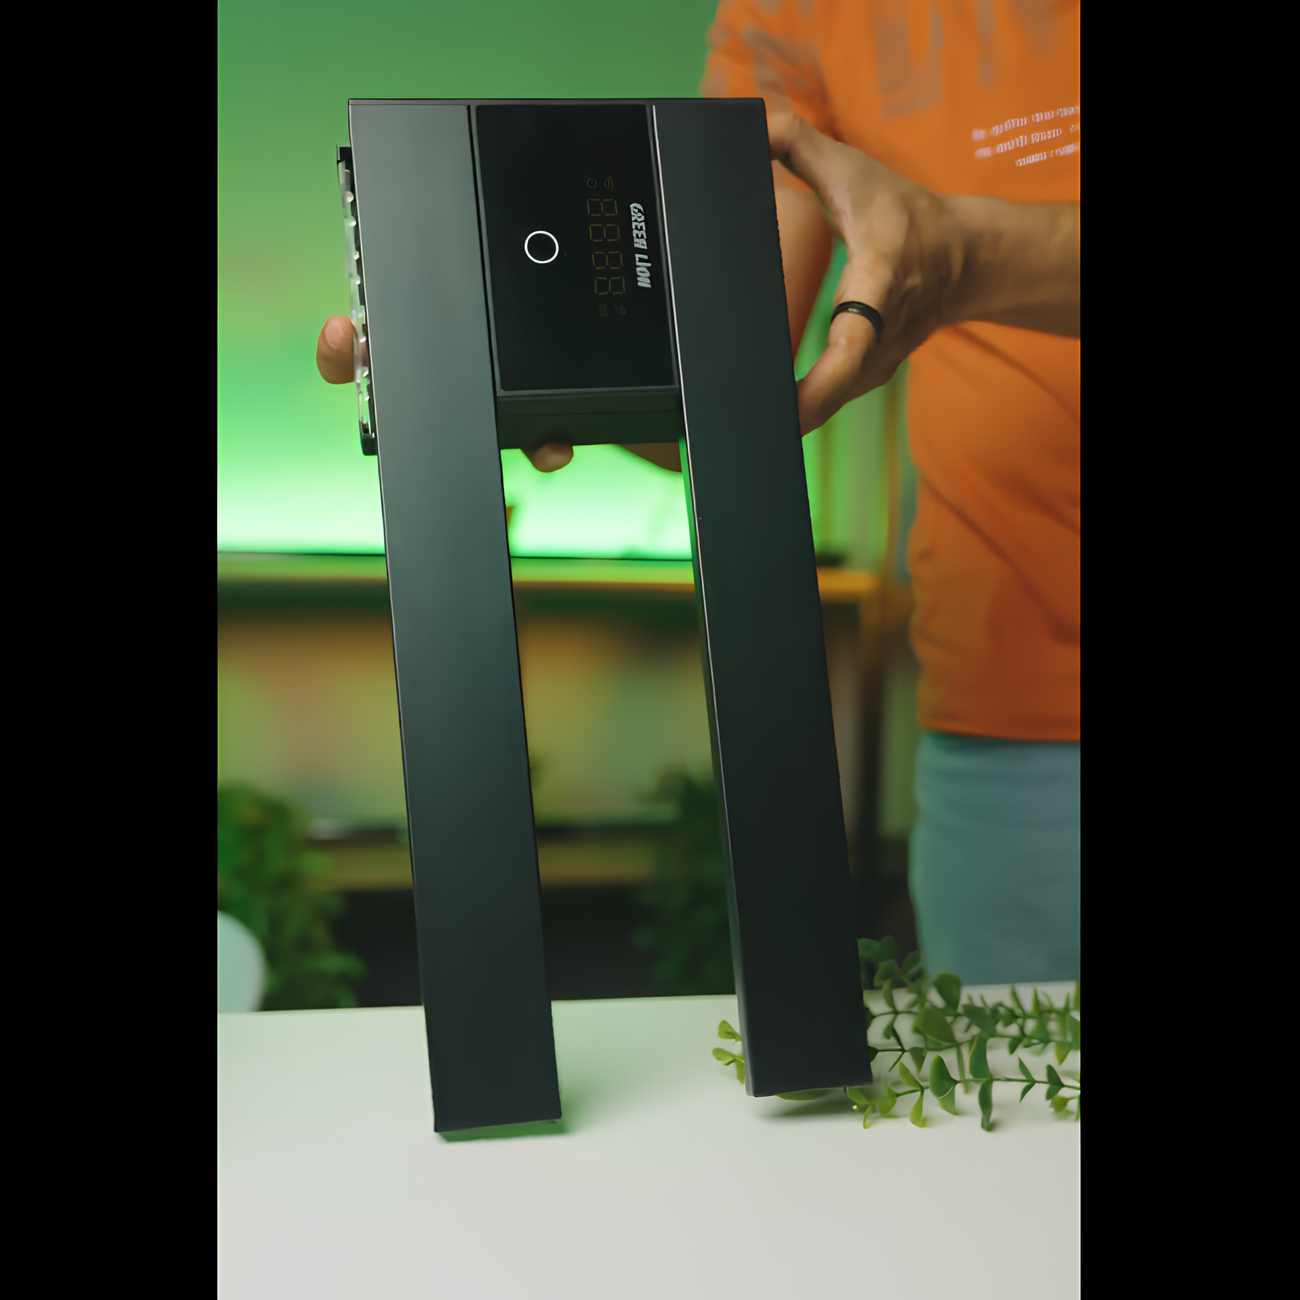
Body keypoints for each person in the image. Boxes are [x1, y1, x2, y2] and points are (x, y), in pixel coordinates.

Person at [316, 0, 1080, 984]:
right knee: (1019, 1079)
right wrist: (515, 360)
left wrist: (961, 251)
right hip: (1014, 710)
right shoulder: (794, 14)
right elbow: (730, 380)